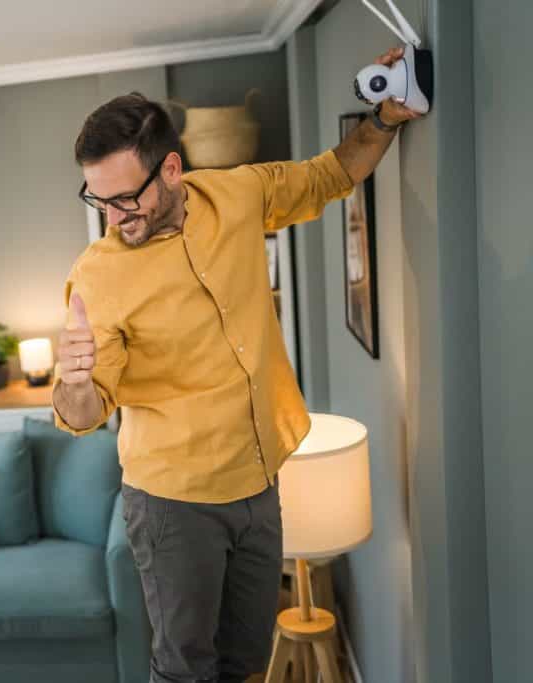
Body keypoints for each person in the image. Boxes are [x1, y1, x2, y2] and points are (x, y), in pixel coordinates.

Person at [53, 48, 423, 683]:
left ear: (171, 169)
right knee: (184, 669)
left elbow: (330, 175)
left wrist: (386, 117)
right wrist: (75, 380)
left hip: (259, 481)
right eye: (99, 200)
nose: (113, 218)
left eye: (124, 198)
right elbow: (84, 415)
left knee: (246, 663)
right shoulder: (99, 272)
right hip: (173, 501)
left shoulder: (237, 194)